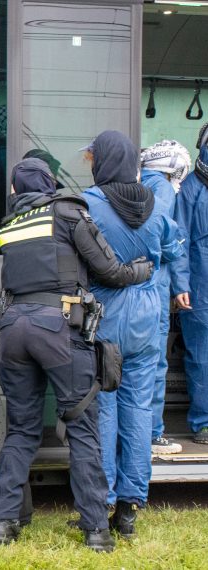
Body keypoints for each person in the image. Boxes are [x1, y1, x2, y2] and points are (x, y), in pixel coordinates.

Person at [0, 157, 154, 552]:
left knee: (21, 430)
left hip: (12, 330)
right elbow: (108, 269)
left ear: (16, 190)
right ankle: (96, 529)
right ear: (50, 183)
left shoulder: (9, 224)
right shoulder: (66, 211)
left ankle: (2, 523)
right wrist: (142, 271)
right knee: (82, 427)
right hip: (59, 329)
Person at [82, 130, 183, 539]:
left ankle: (101, 500)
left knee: (104, 408)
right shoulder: (157, 203)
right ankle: (129, 510)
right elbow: (174, 249)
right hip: (147, 316)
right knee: (140, 410)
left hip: (105, 313)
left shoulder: (90, 203)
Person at [139, 140, 192, 454]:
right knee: (155, 365)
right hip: (154, 287)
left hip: (136, 286)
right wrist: (178, 280)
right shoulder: (162, 189)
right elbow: (165, 233)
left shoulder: (138, 184)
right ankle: (152, 434)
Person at [172, 123, 208, 445]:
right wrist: (180, 284)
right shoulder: (192, 188)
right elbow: (179, 240)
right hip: (200, 287)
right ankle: (203, 422)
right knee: (201, 355)